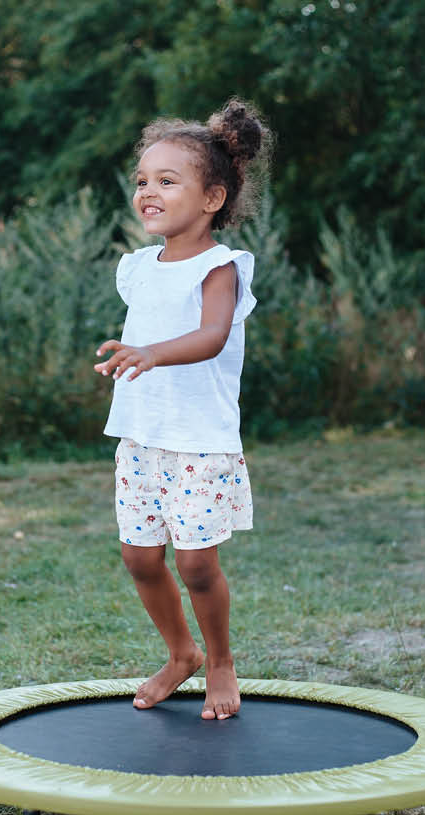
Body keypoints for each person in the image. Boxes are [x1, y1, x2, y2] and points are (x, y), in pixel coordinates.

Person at [96, 100, 267, 721]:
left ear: (212, 198)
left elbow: (212, 336)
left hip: (198, 442)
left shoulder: (221, 267)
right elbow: (148, 333)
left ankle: (221, 662)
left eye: (167, 181)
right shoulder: (137, 267)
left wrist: (149, 353)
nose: (148, 191)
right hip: (140, 439)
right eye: (142, 180)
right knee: (140, 558)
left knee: (197, 564)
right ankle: (181, 654)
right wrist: (127, 355)